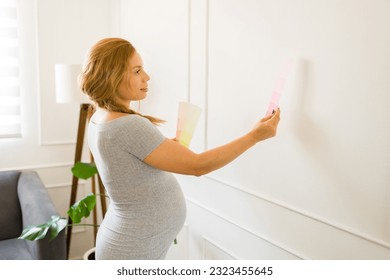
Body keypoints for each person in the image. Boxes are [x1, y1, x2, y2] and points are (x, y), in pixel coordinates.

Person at [80, 37, 281, 260]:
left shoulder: (100, 117)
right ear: (112, 76)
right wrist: (254, 136)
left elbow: (128, 165)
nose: (147, 77)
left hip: (129, 243)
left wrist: (166, 148)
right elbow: (199, 166)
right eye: (137, 71)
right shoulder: (128, 125)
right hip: (132, 249)